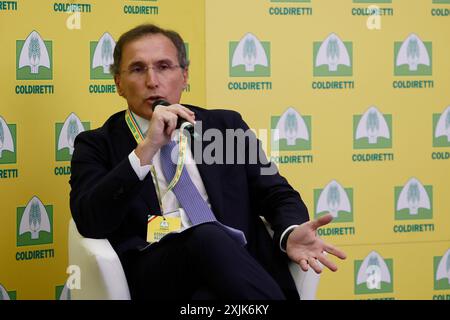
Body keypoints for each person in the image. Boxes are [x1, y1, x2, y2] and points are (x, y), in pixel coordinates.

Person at [69, 23, 346, 300]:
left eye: (164, 66)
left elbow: (277, 193)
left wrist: (288, 232)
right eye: (138, 69)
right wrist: (148, 147)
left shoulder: (224, 128)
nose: (152, 81)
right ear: (118, 83)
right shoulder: (96, 144)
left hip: (237, 269)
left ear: (185, 75)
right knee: (207, 235)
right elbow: (91, 220)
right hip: (159, 273)